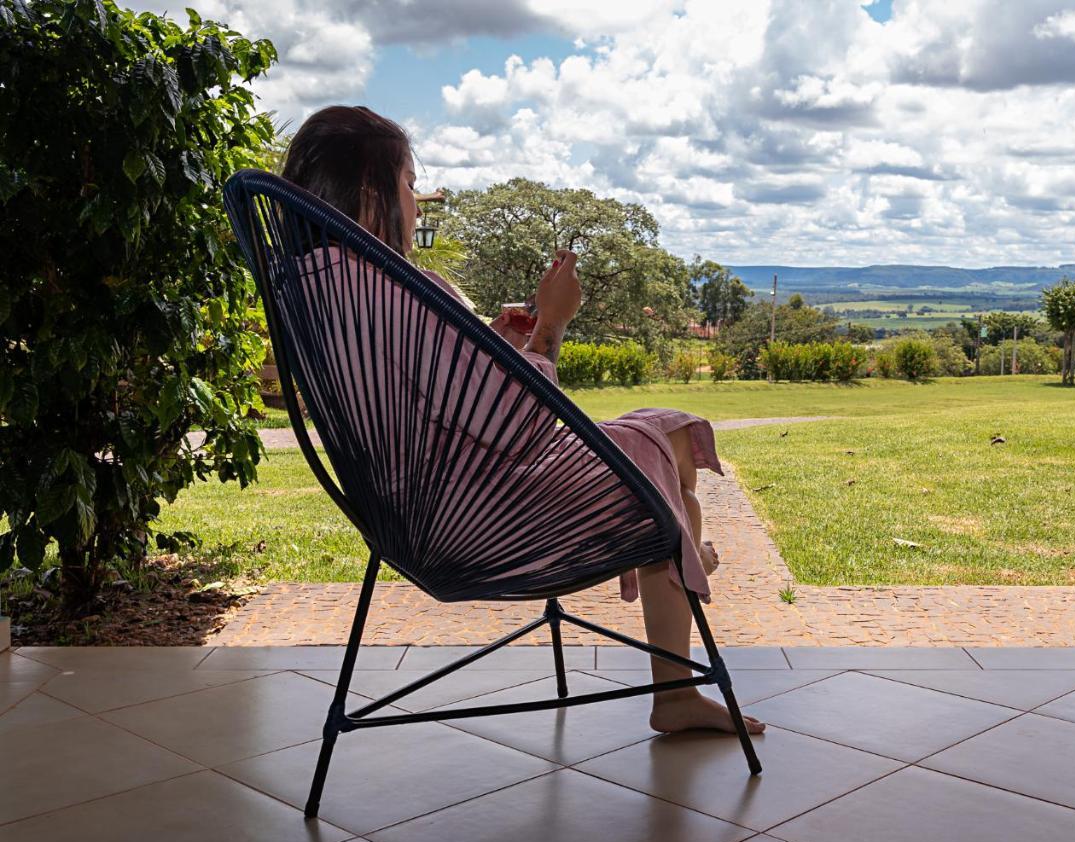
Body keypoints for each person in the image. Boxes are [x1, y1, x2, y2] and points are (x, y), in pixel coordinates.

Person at [281, 105, 763, 735]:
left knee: (661, 441)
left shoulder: (306, 288)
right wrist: (552, 327)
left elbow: (437, 392)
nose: (417, 201)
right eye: (408, 182)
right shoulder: (401, 286)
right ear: (373, 194)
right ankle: (679, 610)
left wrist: (499, 346)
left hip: (403, 515)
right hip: (481, 516)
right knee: (666, 454)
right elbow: (515, 428)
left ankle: (681, 561)